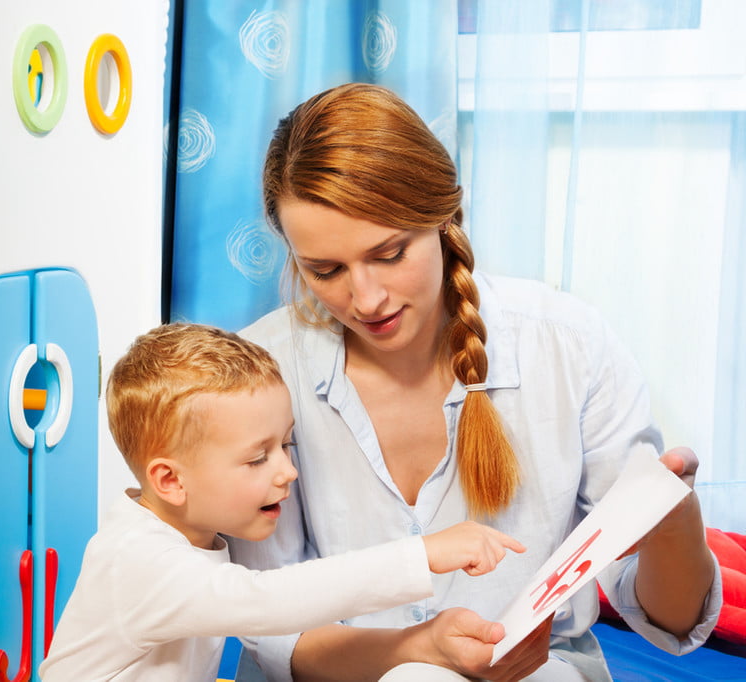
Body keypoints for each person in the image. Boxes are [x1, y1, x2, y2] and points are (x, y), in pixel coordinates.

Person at [229, 83, 721, 682]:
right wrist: (416, 652)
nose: (366, 298)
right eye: (325, 270)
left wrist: (675, 523)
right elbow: (269, 622)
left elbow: (672, 623)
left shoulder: (569, 345)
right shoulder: (258, 373)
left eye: (390, 254)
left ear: (442, 217)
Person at [38, 322, 526, 682]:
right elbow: (266, 601)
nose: (288, 471)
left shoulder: (185, 539)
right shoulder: (140, 560)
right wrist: (422, 554)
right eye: (257, 459)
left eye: (286, 445)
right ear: (170, 481)